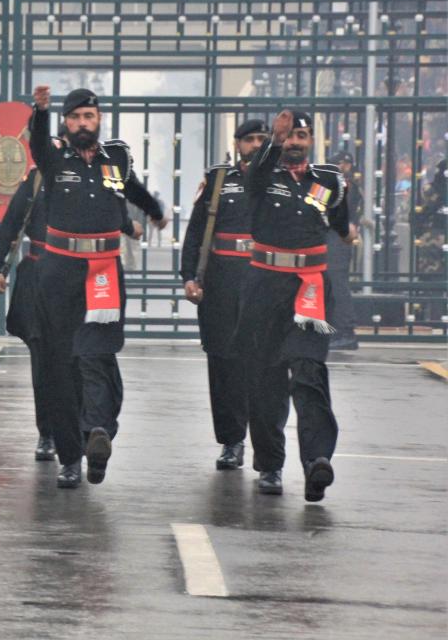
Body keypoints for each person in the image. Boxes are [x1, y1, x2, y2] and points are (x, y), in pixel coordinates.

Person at [28, 86, 167, 488]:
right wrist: (39, 112)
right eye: (75, 118)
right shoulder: (54, 155)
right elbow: (37, 143)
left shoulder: (116, 157)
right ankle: (70, 458)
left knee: (99, 355)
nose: (83, 124)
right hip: (60, 272)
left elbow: (130, 189)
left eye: (89, 117)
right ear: (66, 123)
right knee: (60, 365)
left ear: (99, 119)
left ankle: (98, 434)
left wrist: (155, 211)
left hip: (104, 270)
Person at [0, 167, 144, 463]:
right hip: (42, 274)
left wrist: (127, 225)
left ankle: (87, 429)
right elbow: (12, 222)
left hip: (87, 276)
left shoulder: (101, 174)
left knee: (85, 358)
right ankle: (47, 433)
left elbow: (113, 211)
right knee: (45, 361)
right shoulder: (37, 179)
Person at [236, 110, 354, 501]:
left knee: (309, 371)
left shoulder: (329, 180)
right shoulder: (263, 172)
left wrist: (347, 232)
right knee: (266, 378)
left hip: (311, 288)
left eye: (302, 135)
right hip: (266, 287)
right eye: (289, 135)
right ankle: (270, 464)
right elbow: (252, 177)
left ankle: (317, 461)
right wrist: (272, 140)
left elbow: (341, 221)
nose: (295, 141)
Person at [180, 119, 268, 472]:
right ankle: (232, 442)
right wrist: (188, 276)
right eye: (250, 139)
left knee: (263, 367)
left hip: (263, 284)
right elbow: (196, 231)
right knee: (223, 365)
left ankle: (266, 445)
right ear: (238, 144)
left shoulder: (280, 181)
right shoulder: (218, 180)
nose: (256, 144)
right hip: (220, 287)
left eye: (263, 139)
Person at [326, 150, 363, 350]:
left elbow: (323, 208)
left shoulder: (343, 185)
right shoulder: (342, 185)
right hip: (334, 238)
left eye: (345, 164)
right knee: (332, 285)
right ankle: (338, 330)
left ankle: (345, 331)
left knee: (337, 285)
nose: (343, 167)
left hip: (336, 239)